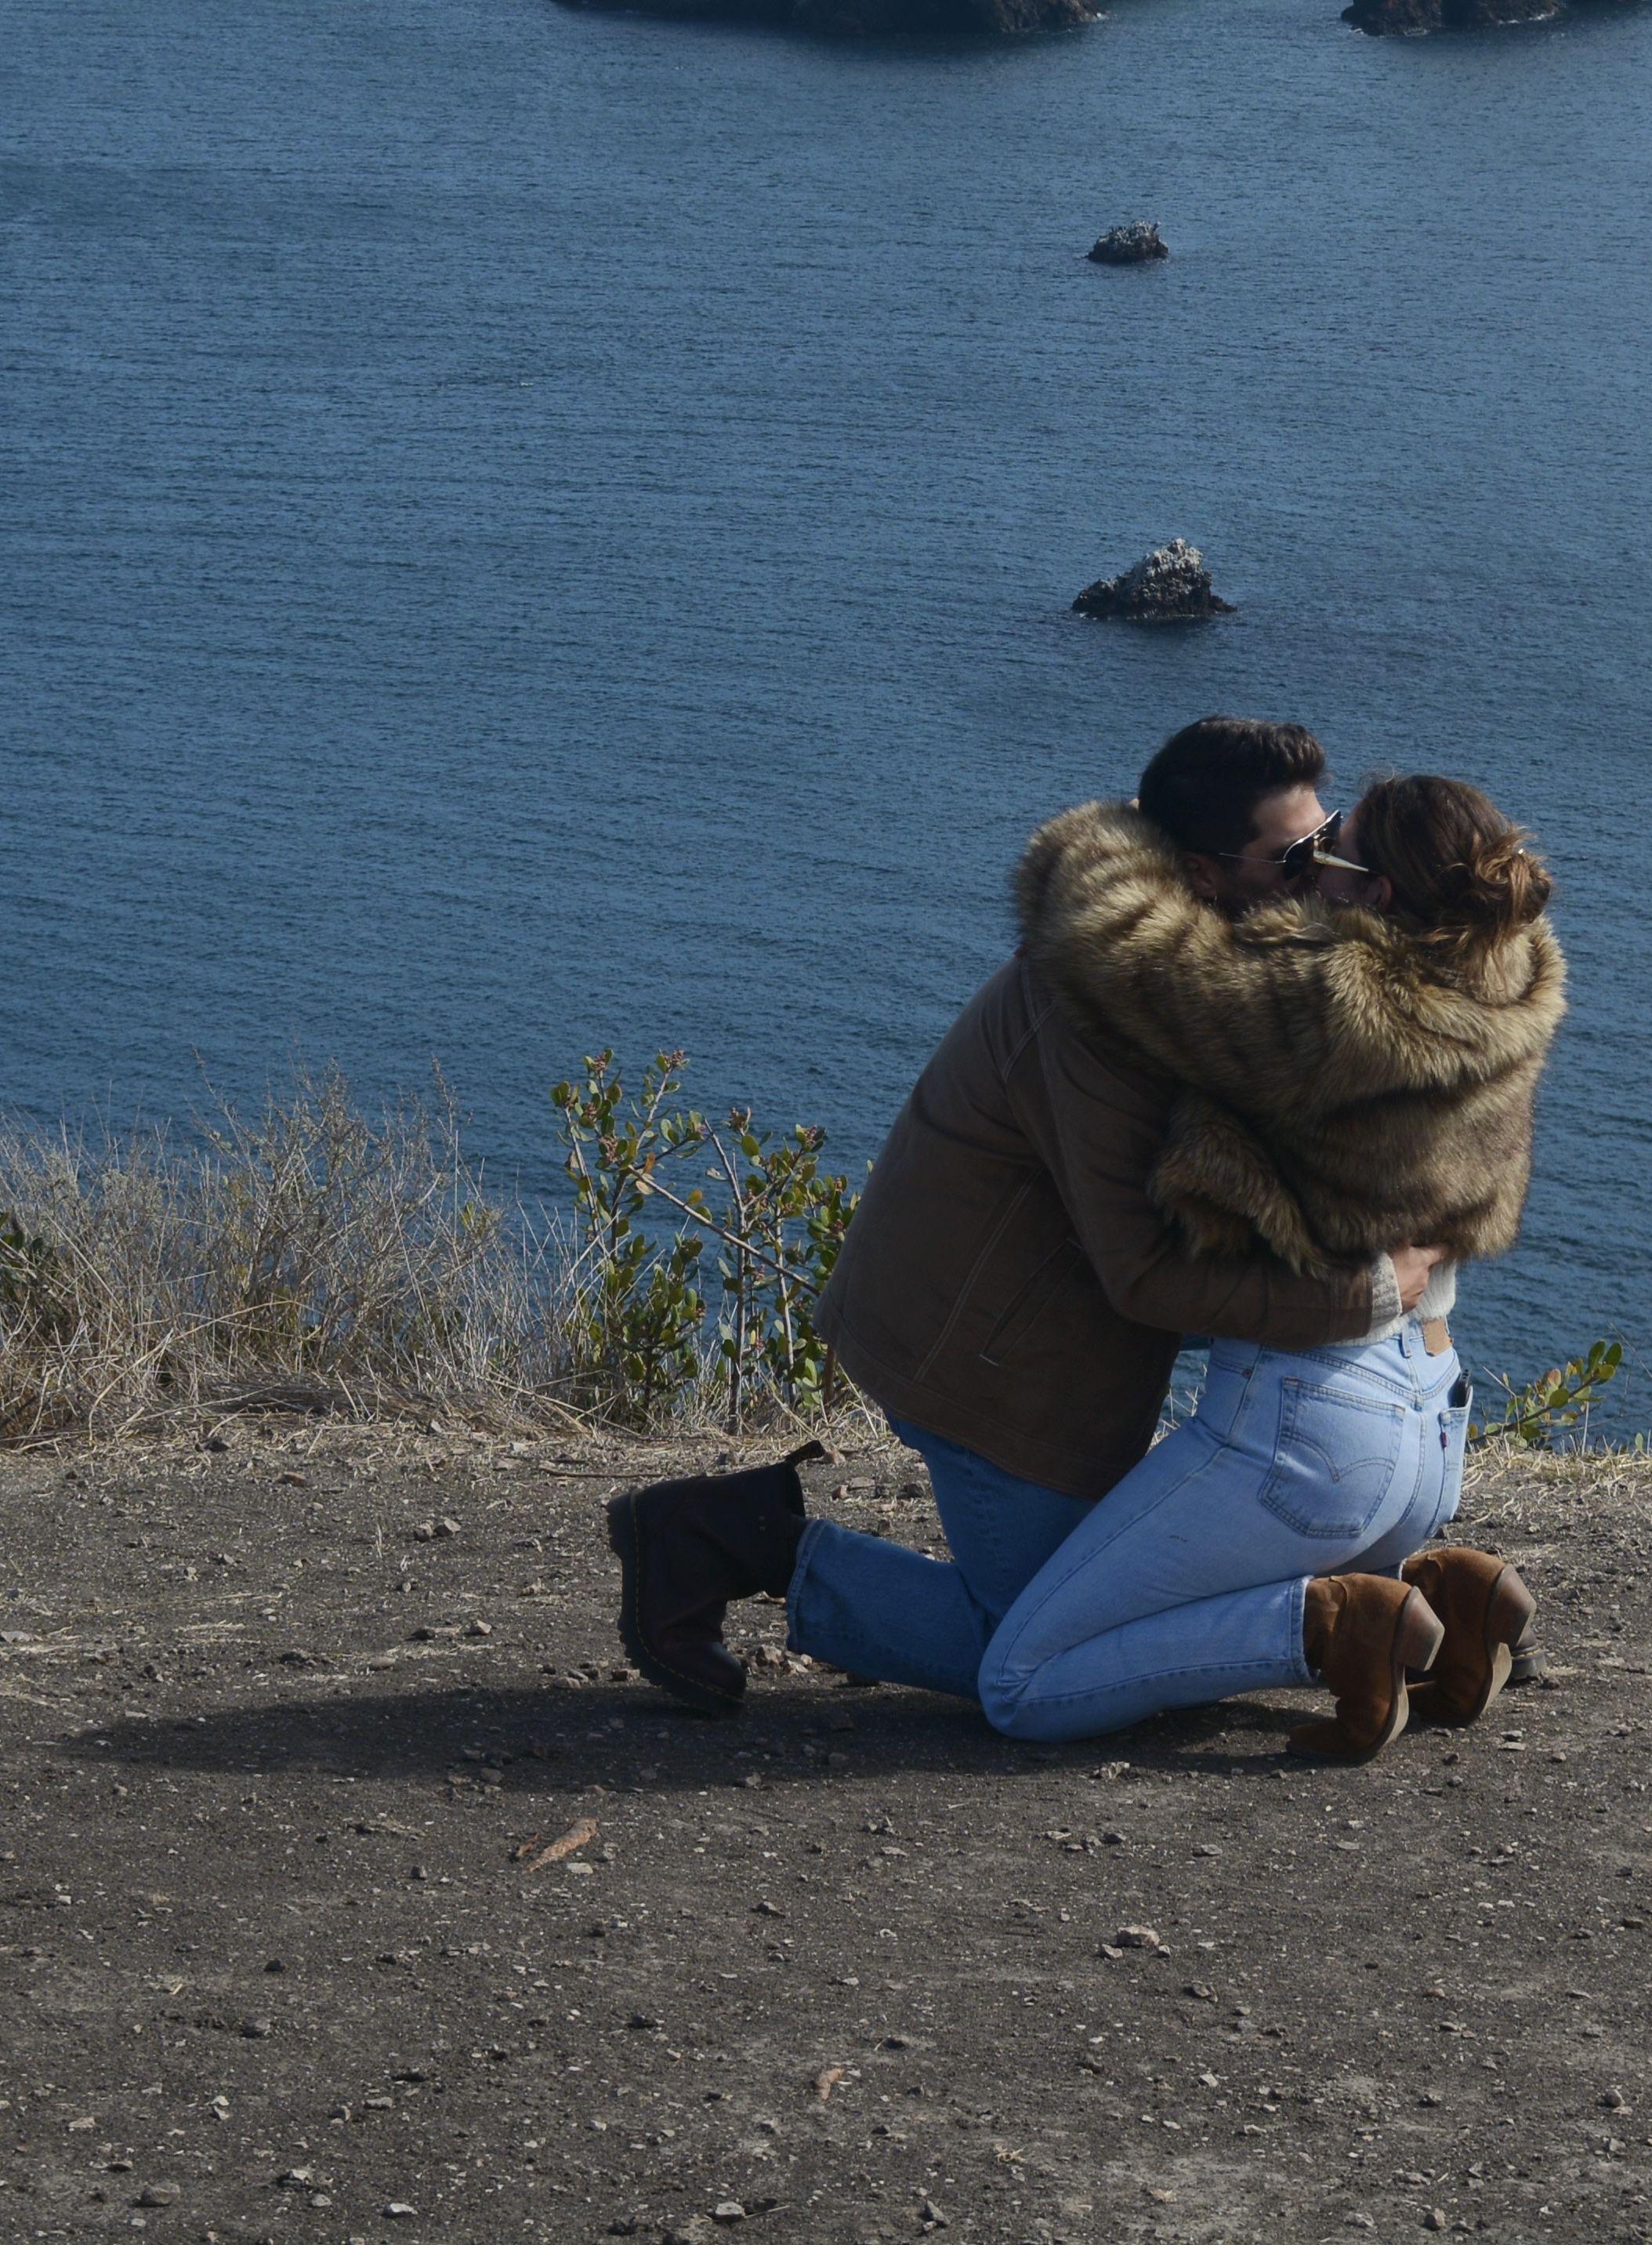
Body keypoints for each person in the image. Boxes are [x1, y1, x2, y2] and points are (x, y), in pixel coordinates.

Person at [607, 718, 1433, 1725]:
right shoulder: (1101, 1007)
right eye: (1297, 855)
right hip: (991, 1359)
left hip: (1066, 1341)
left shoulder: (1220, 970)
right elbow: (1142, 1271)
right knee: (1048, 1657)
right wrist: (1366, 1291)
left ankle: (1377, 1615)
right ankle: (721, 1538)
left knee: (1124, 1630)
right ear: (1202, 873)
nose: (1327, 871)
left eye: (1331, 833)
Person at [969, 770, 1566, 1756]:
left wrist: (1114, 830)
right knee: (1152, 1631)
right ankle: (1446, 1604)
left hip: (1313, 1433)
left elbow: (1126, 951)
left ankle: (1340, 1626)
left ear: (1376, 896)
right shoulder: (1508, 970)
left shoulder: (1322, 1008)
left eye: (1326, 857)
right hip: (1430, 1417)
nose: (1304, 875)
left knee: (1021, 1681)